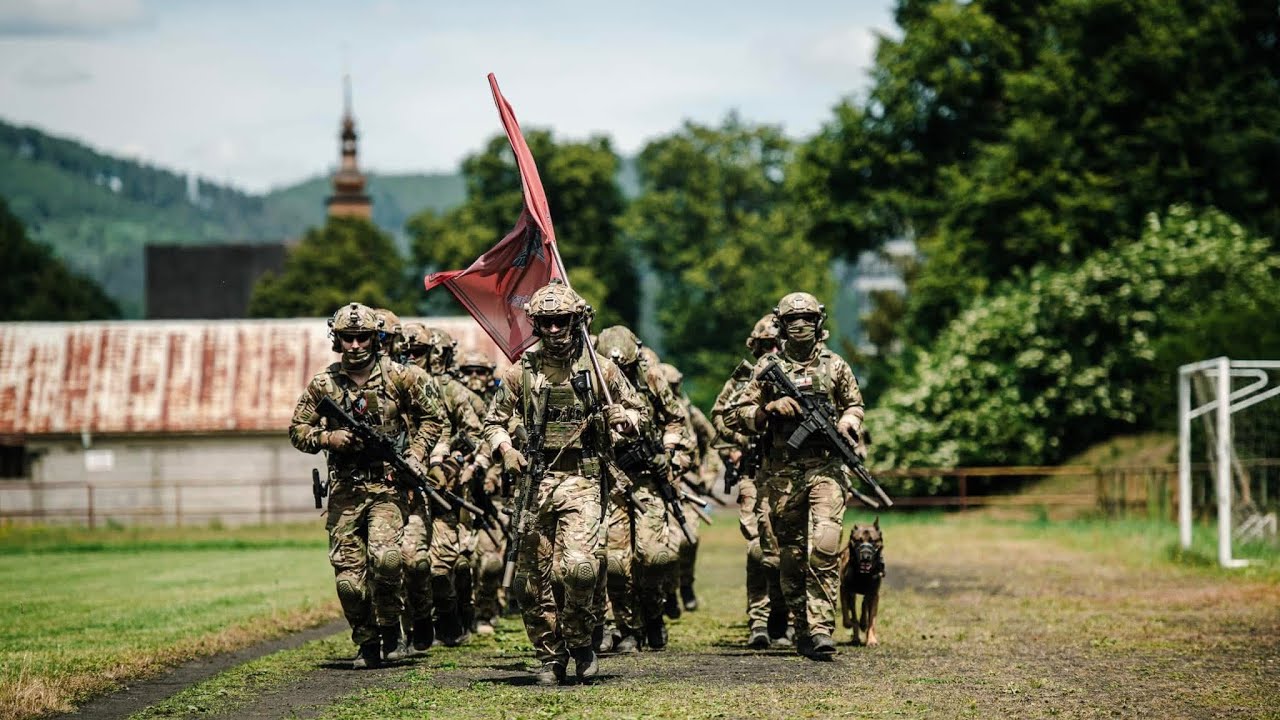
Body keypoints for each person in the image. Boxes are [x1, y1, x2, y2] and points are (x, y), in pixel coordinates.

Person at [483, 280, 646, 685]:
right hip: (534, 482)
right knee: (530, 580)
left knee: (575, 569)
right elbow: (492, 422)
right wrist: (506, 450)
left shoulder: (600, 368)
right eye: (546, 323)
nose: (554, 330)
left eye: (561, 321)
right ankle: (548, 656)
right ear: (536, 324)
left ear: (575, 320)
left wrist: (624, 421)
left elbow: (636, 410)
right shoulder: (522, 371)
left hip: (584, 479)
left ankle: (580, 640)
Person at [289, 302, 446, 669]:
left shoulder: (400, 377)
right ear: (338, 340)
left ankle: (391, 627)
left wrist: (417, 457)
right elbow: (297, 431)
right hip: (345, 491)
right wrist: (330, 438)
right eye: (348, 338)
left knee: (388, 560)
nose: (355, 345)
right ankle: (366, 640)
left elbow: (432, 418)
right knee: (348, 581)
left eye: (362, 338)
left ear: (375, 339)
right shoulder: (324, 384)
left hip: (388, 489)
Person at [725, 292, 865, 661]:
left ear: (818, 322)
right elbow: (733, 415)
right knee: (788, 556)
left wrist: (848, 423)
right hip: (781, 476)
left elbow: (854, 404)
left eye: (806, 318)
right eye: (792, 319)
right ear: (781, 324)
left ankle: (821, 629)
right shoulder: (767, 368)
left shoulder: (836, 366)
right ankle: (801, 627)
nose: (799, 324)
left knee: (825, 544)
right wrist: (768, 409)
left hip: (825, 470)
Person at [595, 327, 690, 652]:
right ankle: (623, 627)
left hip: (648, 481)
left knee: (652, 556)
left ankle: (652, 614)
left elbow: (676, 419)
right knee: (615, 562)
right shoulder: (592, 380)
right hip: (612, 481)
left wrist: (668, 451)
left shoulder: (651, 379)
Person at [402, 323, 486, 648]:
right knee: (408, 562)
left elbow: (476, 436)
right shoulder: (398, 386)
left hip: (446, 492)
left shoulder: (452, 391)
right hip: (407, 487)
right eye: (406, 351)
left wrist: (454, 465)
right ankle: (412, 628)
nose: (411, 357)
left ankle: (452, 614)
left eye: (418, 352)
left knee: (444, 566)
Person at [712, 314, 791, 649]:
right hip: (754, 472)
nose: (770, 350)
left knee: (790, 550)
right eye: (764, 346)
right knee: (759, 549)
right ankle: (759, 620)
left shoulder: (799, 375)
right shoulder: (745, 376)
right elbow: (719, 415)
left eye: (776, 344)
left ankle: (786, 620)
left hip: (790, 474)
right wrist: (738, 443)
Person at [658, 362, 719, 614]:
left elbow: (712, 441)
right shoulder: (651, 411)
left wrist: (709, 473)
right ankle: (669, 592)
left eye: (674, 386)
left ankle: (686, 584)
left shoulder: (689, 412)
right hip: (661, 485)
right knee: (666, 544)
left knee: (688, 540)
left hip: (689, 486)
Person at [456, 349, 506, 635]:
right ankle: (460, 614)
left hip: (490, 497)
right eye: (468, 371)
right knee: (457, 563)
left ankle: (486, 612)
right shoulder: (448, 402)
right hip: (457, 495)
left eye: (480, 371)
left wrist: (494, 474)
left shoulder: (500, 406)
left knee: (490, 561)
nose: (474, 377)